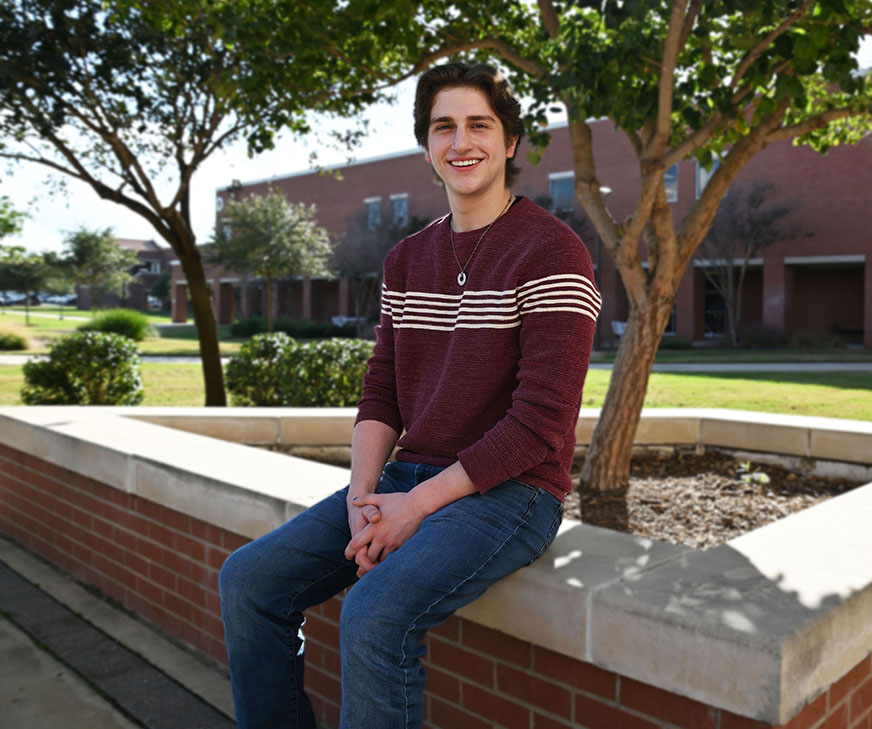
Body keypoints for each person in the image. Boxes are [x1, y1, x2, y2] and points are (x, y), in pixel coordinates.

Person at [218, 61, 601, 729]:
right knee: (248, 581)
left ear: (510, 141)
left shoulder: (552, 251)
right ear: (427, 146)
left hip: (513, 491)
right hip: (403, 477)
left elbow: (541, 423)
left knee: (373, 615)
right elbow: (383, 391)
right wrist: (366, 500)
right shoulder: (406, 258)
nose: (461, 143)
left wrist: (414, 507)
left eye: (479, 125)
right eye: (442, 127)